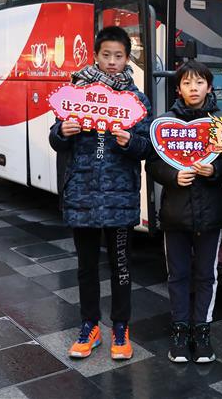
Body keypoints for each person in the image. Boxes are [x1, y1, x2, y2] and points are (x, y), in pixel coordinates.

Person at [49, 26, 153, 361]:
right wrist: (62, 131)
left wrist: (131, 142)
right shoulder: (74, 94)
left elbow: (146, 146)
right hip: (83, 193)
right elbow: (55, 138)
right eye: (106, 55)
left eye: (118, 56)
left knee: (121, 266)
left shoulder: (136, 101)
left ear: (127, 59)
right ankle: (89, 326)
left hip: (120, 196)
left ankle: (120, 328)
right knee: (86, 266)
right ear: (95, 55)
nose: (111, 62)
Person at [146, 60, 222, 364]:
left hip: (211, 213)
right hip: (175, 213)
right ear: (178, 88)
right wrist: (173, 176)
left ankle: (203, 331)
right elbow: (153, 163)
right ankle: (180, 331)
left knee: (207, 275)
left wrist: (215, 170)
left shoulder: (221, 124)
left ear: (209, 87)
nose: (193, 88)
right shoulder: (165, 124)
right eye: (186, 83)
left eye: (199, 82)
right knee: (178, 275)